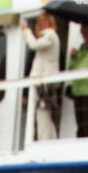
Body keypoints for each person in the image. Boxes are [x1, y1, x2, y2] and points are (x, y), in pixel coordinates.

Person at [24, 12, 62, 140]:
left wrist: (26, 31)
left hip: (45, 82)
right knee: (45, 114)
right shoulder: (48, 37)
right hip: (44, 81)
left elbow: (33, 45)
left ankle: (43, 141)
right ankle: (49, 140)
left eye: (42, 22)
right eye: (38, 22)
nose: (40, 25)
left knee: (43, 114)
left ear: (49, 23)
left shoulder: (50, 35)